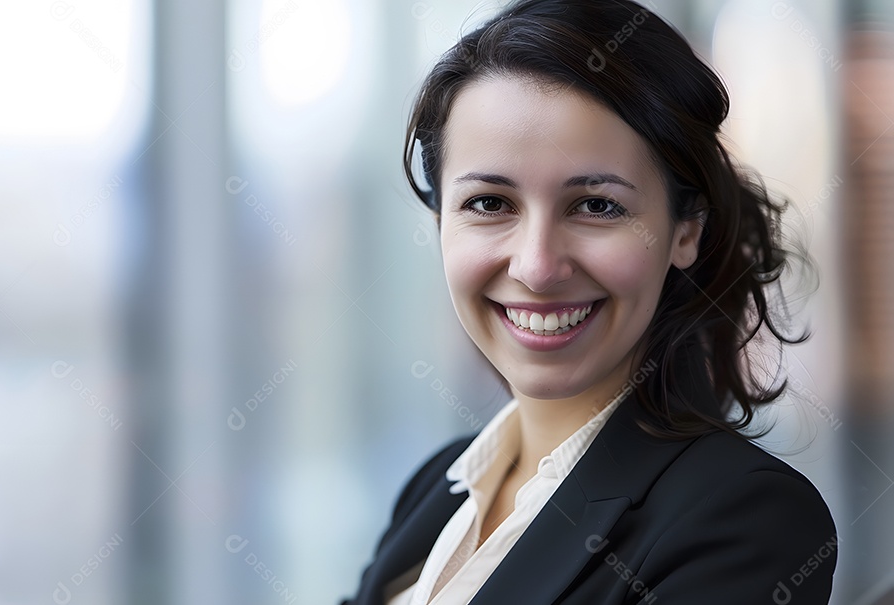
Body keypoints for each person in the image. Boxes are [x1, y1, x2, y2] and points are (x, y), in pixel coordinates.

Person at [342, 0, 837, 603]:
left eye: (597, 206)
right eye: (490, 203)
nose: (538, 266)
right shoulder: (438, 485)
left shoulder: (744, 518)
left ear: (685, 230)